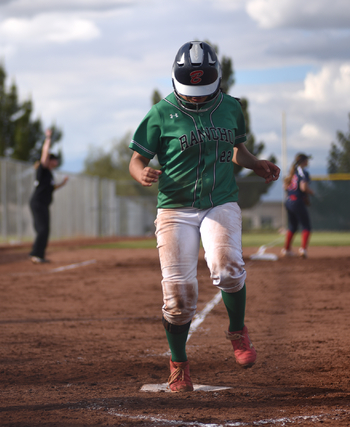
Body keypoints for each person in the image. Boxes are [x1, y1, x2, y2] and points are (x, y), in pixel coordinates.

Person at [129, 41, 280, 392]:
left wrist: (254, 163)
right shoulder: (159, 113)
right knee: (179, 298)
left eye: (203, 92)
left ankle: (237, 332)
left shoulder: (230, 108)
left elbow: (236, 151)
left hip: (219, 200)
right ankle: (179, 364)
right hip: (175, 207)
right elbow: (137, 158)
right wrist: (140, 172)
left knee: (228, 267)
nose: (197, 98)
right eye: (190, 93)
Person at [29, 129, 68, 264]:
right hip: (38, 202)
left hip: (43, 204)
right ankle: (36, 254)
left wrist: (63, 183)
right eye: (54, 159)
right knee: (42, 229)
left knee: (45, 230)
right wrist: (48, 137)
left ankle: (39, 255)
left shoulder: (49, 175)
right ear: (49, 161)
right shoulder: (43, 169)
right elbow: (45, 153)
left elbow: (52, 188)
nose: (56, 161)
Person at [281, 153, 314, 259]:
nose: (308, 162)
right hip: (297, 201)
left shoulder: (292, 172)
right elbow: (303, 187)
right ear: (303, 162)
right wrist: (311, 192)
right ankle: (303, 249)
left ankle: (286, 249)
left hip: (289, 201)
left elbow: (285, 186)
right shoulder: (303, 173)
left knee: (292, 226)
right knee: (306, 226)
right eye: (307, 160)